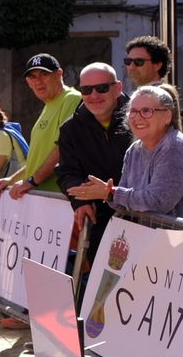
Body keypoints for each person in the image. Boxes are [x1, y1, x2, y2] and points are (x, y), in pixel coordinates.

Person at [69, 84, 183, 224]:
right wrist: (109, 193)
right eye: (133, 111)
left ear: (167, 116)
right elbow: (124, 202)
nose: (138, 117)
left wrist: (110, 193)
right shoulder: (135, 150)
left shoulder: (176, 147)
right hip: (161, 239)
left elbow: (158, 202)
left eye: (147, 111)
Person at [55, 62, 131, 259]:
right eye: (87, 89)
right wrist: (79, 200)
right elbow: (67, 172)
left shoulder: (139, 119)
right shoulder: (70, 129)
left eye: (102, 88)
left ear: (118, 88)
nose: (94, 95)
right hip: (100, 223)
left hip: (145, 221)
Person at [0, 54, 82, 198]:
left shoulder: (72, 99)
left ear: (59, 74)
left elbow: (63, 150)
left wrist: (31, 182)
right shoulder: (49, 104)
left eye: (44, 74)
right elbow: (38, 160)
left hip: (57, 199)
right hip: (41, 199)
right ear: (28, 82)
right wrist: (12, 179)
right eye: (32, 76)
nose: (38, 81)